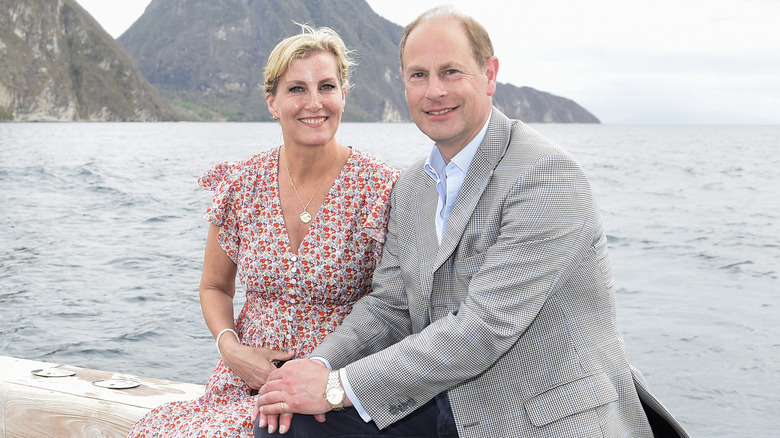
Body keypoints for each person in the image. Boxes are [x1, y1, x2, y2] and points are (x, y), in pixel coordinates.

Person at [252, 6, 689, 438]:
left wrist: (335, 387)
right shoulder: (411, 187)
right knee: (289, 425)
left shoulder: (546, 175)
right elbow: (390, 306)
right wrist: (315, 366)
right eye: (418, 75)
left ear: (490, 74)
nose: (434, 91)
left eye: (451, 72)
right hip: (446, 403)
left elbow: (484, 328)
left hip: (539, 416)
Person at [126, 24, 399, 438]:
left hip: (335, 390)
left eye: (326, 86)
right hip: (243, 381)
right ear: (272, 102)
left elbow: (395, 304)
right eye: (296, 89)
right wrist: (232, 349)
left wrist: (330, 378)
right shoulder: (242, 184)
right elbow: (215, 287)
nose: (314, 103)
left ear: (343, 95)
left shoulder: (381, 188)